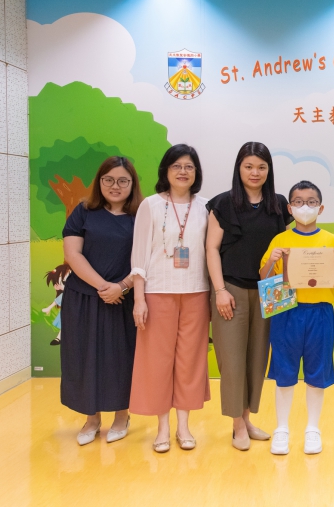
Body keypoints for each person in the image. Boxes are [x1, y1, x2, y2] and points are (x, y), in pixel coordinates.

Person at [206, 142, 293, 451]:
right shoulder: (223, 203)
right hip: (230, 289)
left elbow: (291, 246)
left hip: (269, 292)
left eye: (261, 167)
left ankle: (247, 418)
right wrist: (219, 291)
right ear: (239, 168)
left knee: (257, 359)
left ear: (269, 170)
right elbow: (211, 249)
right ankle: (236, 425)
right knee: (232, 361)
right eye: (249, 166)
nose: (255, 172)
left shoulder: (279, 204)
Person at [129, 144, 211, 453]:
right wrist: (139, 299)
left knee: (190, 362)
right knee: (158, 361)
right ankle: (162, 428)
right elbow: (139, 255)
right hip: (157, 292)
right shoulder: (150, 205)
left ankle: (183, 427)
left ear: (196, 172)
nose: (183, 171)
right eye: (176, 166)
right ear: (165, 170)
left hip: (196, 292)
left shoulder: (206, 207)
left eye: (189, 166)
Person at [260, 180, 334, 455]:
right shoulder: (281, 239)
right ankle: (282, 429)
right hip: (287, 312)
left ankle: (313, 428)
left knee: (316, 372)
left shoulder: (331, 240)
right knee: (284, 371)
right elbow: (263, 277)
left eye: (311, 202)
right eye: (298, 202)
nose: (305, 207)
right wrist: (271, 259)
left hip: (320, 312)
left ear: (320, 208)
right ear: (290, 208)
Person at [60, 156, 142, 445]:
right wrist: (104, 286)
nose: (115, 186)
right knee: (84, 358)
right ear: (99, 182)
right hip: (84, 298)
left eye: (122, 181)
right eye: (108, 180)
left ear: (132, 184)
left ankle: (122, 416)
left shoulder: (141, 216)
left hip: (124, 301)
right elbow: (72, 254)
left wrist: (121, 286)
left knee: (121, 359)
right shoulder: (84, 211)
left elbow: (147, 260)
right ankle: (92, 419)